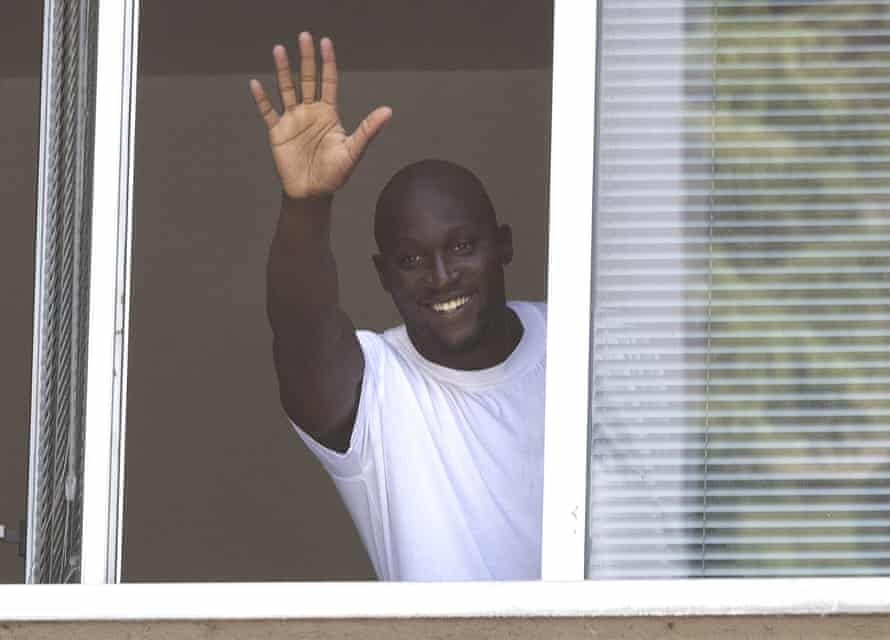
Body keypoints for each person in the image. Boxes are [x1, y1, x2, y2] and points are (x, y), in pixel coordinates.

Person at [250, 33, 546, 581]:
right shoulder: (377, 389)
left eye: (461, 248)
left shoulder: (581, 342)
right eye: (411, 259)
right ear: (384, 276)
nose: (440, 277)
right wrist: (307, 205)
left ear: (503, 246)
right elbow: (300, 328)